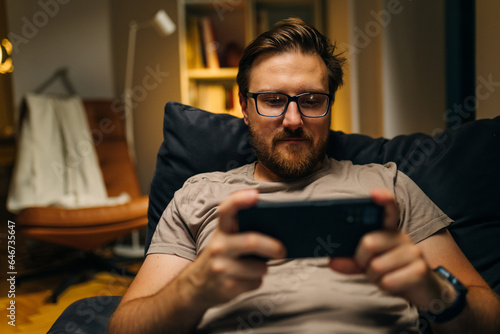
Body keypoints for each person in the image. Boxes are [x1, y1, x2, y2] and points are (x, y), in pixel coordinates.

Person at [108, 18, 500, 334]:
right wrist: (195, 288)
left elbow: (489, 317)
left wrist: (434, 291)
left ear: (329, 106)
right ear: (244, 107)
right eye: (273, 101)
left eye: (311, 101)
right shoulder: (198, 194)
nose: (293, 120)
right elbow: (124, 327)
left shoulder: (389, 184)